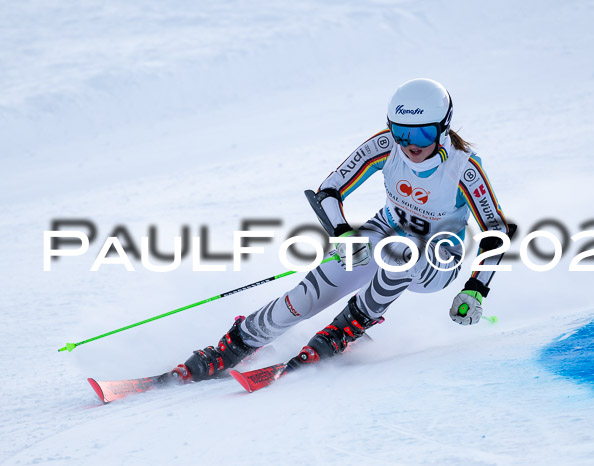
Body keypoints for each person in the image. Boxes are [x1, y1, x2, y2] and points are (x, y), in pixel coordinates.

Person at [171, 78, 515, 382]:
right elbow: (329, 191)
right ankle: (240, 342)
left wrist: (475, 290)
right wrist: (343, 234)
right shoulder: (386, 147)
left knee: (401, 254)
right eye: (401, 131)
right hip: (382, 233)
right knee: (307, 294)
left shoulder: (463, 169)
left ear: (442, 127)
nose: (410, 143)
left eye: (422, 132)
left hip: (438, 258)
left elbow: (495, 231)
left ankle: (344, 330)